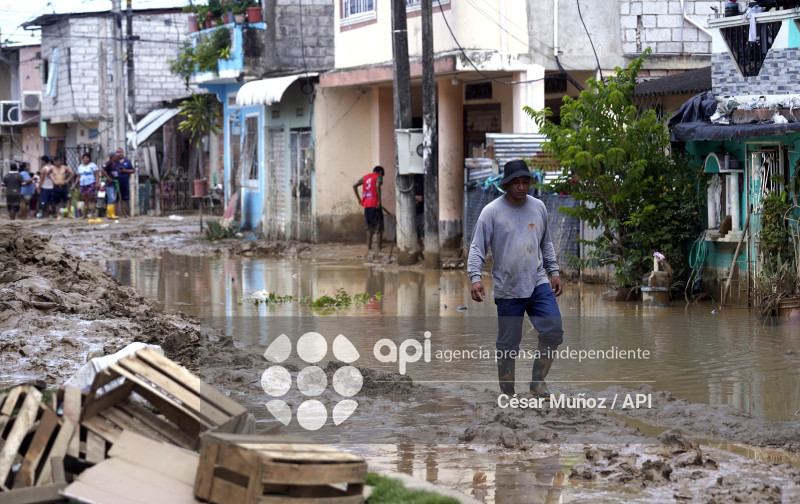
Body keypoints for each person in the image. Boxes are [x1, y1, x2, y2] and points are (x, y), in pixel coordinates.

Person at [467, 159, 563, 398]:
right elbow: (478, 248)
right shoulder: (491, 212)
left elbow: (546, 243)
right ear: (506, 185)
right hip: (508, 287)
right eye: (516, 182)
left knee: (553, 331)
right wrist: (475, 277)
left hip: (538, 281)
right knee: (508, 346)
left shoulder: (539, 207)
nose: (521, 187)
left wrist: (554, 271)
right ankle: (507, 394)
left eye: (525, 181)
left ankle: (537, 383)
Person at [353, 166, 385, 250]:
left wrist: (359, 199)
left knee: (369, 228)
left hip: (367, 205)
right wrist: (379, 201)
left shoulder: (365, 177)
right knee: (379, 228)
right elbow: (378, 185)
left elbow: (354, 186)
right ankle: (379, 248)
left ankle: (369, 248)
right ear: (380, 172)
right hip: (375, 205)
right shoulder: (379, 176)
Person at [73, 153, 100, 219]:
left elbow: (96, 174)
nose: (85, 159)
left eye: (87, 157)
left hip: (91, 183)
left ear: (89, 158)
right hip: (82, 184)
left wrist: (97, 183)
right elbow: (78, 176)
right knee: (85, 200)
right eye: (84, 158)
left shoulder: (93, 165)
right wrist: (75, 184)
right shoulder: (80, 167)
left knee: (91, 199)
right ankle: (85, 215)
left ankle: (93, 214)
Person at [115, 147, 135, 217]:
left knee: (124, 199)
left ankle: (124, 214)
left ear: (123, 153)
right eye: (117, 152)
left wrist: (125, 170)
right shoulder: (114, 161)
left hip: (125, 182)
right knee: (116, 199)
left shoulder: (127, 161)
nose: (119, 153)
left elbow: (132, 170)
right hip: (116, 183)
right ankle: (115, 214)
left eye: (120, 152)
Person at [101, 151, 120, 219]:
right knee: (111, 198)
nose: (117, 157)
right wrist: (108, 177)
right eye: (116, 156)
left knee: (114, 198)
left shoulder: (115, 163)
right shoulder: (108, 163)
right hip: (110, 183)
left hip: (115, 183)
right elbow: (102, 170)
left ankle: (112, 213)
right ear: (112, 157)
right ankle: (109, 214)